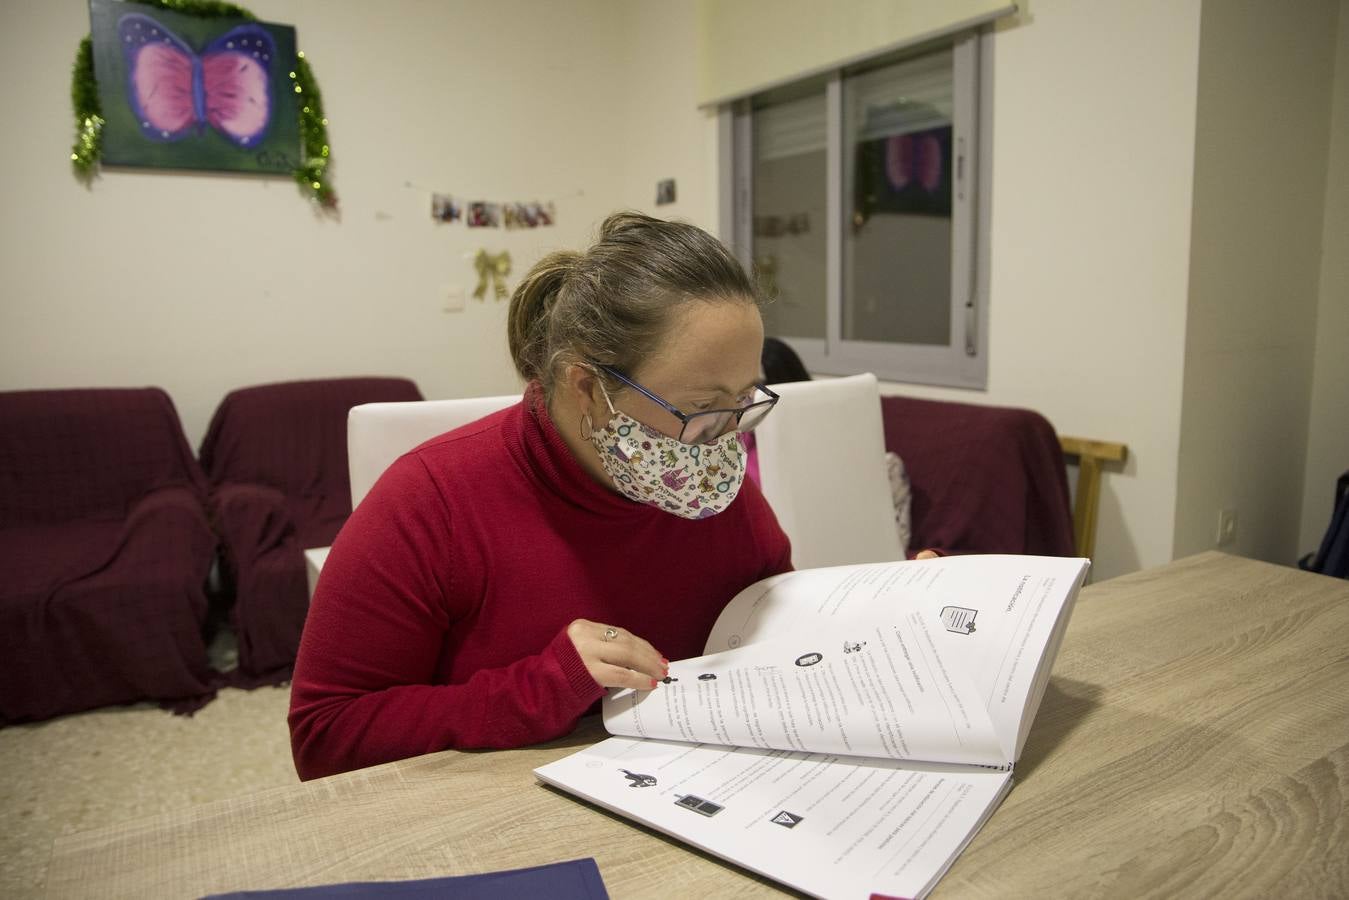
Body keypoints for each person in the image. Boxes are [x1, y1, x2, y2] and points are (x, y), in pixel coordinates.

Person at [288, 212, 792, 780]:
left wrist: (892, 608)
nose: (725, 440)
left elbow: (780, 625)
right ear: (589, 389)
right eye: (702, 409)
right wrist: (541, 686)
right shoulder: (430, 500)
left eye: (745, 400)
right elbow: (324, 736)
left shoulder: (711, 488)